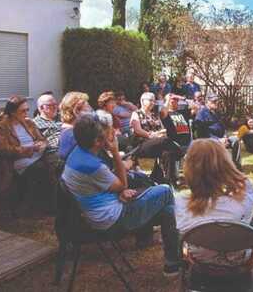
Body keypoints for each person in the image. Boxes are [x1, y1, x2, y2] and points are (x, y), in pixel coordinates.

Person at [61, 115, 180, 276]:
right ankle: (172, 260)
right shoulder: (92, 165)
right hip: (113, 220)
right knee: (165, 191)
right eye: (107, 133)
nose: (112, 135)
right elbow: (121, 183)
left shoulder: (78, 153)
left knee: (167, 209)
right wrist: (116, 152)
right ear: (97, 141)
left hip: (99, 210)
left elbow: (108, 185)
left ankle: (172, 261)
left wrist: (120, 192)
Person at [176, 139, 253, 267]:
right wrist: (232, 173)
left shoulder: (179, 202)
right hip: (238, 259)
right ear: (226, 166)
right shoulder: (243, 201)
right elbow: (249, 188)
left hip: (199, 259)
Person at [0, 96, 56, 212]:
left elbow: (42, 139)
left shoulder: (28, 122)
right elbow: (4, 149)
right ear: (12, 112)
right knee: (42, 169)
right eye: (23, 111)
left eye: (27, 109)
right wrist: (27, 149)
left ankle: (53, 203)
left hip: (37, 155)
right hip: (18, 160)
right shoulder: (1, 127)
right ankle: (44, 206)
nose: (26, 113)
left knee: (56, 163)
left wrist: (42, 145)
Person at [130, 92, 183, 184]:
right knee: (165, 140)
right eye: (150, 100)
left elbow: (162, 129)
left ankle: (170, 181)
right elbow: (137, 130)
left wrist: (162, 133)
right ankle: (181, 153)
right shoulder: (136, 113)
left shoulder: (155, 115)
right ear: (142, 101)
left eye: (154, 101)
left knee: (168, 153)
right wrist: (152, 135)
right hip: (143, 144)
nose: (152, 103)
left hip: (158, 144)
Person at [194, 93, 242, 170]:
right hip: (209, 140)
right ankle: (222, 168)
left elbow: (223, 127)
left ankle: (236, 167)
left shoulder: (217, 112)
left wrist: (225, 136)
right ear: (207, 102)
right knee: (221, 144)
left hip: (221, 138)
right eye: (214, 101)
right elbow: (202, 133)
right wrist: (218, 139)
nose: (216, 103)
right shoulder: (201, 114)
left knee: (235, 140)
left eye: (217, 101)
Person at [58, 91, 93, 160]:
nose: (91, 110)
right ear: (76, 111)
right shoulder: (73, 135)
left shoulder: (70, 130)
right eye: (88, 106)